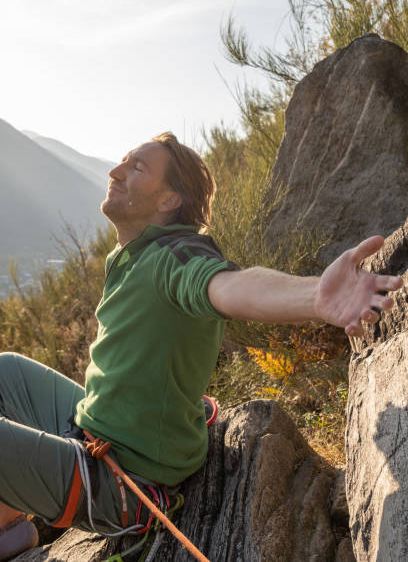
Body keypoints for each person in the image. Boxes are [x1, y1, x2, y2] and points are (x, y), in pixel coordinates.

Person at [0, 132, 402, 560]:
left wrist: (316, 297)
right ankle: (11, 531)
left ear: (169, 200)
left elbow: (229, 285)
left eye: (136, 168)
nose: (115, 172)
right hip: (100, 429)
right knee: (7, 371)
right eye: (123, 162)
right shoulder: (134, 254)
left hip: (122, 480)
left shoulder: (176, 254)